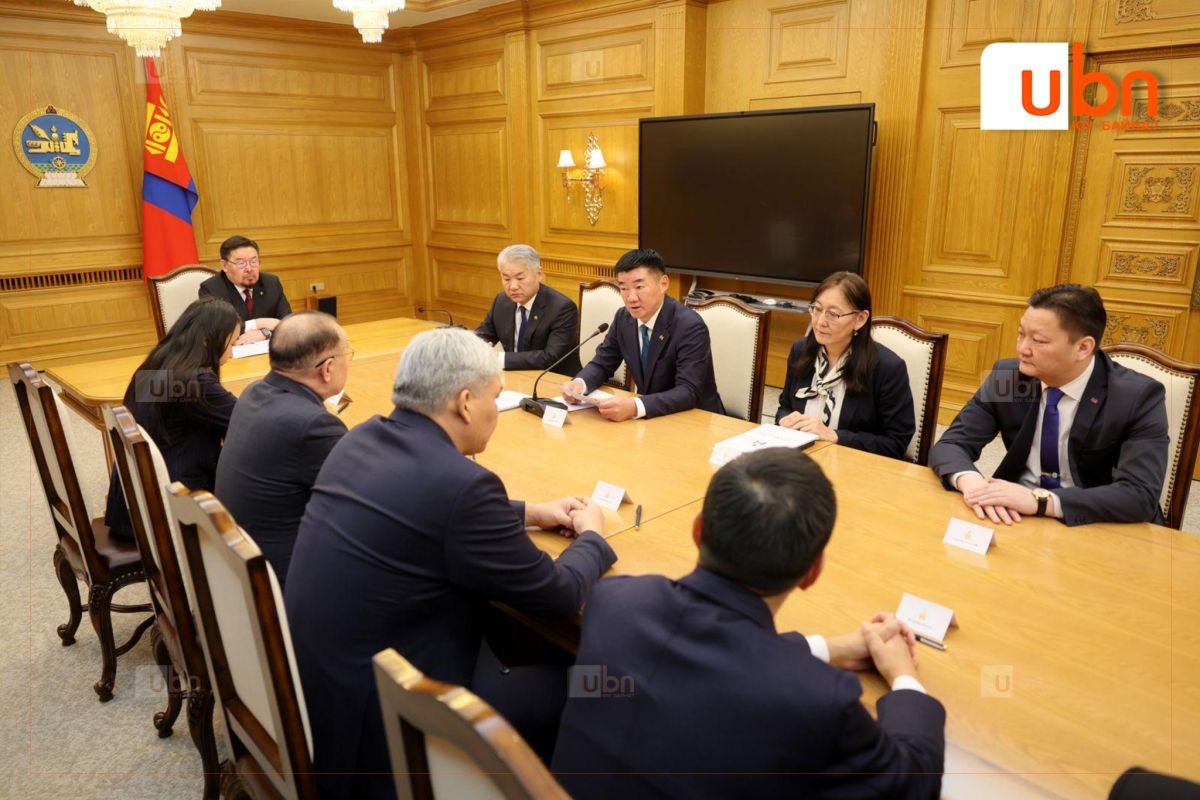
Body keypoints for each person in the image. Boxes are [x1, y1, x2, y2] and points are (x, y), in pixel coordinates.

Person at [284, 327, 617, 800]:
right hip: (396, 727)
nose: (496, 411)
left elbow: (424, 508)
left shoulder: (360, 439)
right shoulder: (465, 487)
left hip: (328, 697)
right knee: (600, 682)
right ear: (464, 403)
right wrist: (594, 539)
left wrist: (531, 513)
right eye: (495, 397)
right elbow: (559, 595)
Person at [552, 448, 945, 798]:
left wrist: (829, 648)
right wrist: (904, 676)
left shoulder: (614, 601)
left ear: (697, 531)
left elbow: (712, 661)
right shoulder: (819, 700)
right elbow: (913, 782)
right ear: (812, 573)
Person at [928, 284, 1168, 526]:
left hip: (1094, 522)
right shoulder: (1009, 377)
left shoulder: (1137, 397)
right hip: (1016, 516)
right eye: (1021, 334)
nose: (1022, 349)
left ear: (1083, 347)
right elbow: (951, 444)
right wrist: (973, 485)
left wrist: (1042, 502)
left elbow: (1139, 494)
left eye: (1039, 341)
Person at [214, 311, 350, 589]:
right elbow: (364, 502)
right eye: (348, 356)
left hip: (241, 568)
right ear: (327, 368)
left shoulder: (253, 392)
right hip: (284, 583)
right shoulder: (314, 426)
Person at [104, 297, 241, 537]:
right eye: (232, 343)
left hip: (133, 502)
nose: (232, 353)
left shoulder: (160, 362)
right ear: (207, 340)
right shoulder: (195, 382)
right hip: (168, 511)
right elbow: (248, 423)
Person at [561, 248, 723, 420]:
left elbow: (688, 391)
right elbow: (603, 363)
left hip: (696, 420)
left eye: (639, 287)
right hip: (654, 418)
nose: (631, 298)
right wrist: (580, 383)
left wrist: (635, 406)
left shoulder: (689, 326)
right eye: (624, 288)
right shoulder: (623, 318)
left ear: (663, 284)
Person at [775, 271, 915, 458]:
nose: (820, 322)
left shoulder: (887, 368)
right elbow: (784, 406)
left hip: (853, 465)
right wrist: (785, 419)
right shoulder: (801, 350)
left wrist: (835, 436)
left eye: (833, 314)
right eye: (817, 309)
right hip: (799, 460)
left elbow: (896, 443)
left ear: (860, 319)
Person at [475, 244, 582, 375]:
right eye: (506, 279)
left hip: (552, 378)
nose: (513, 286)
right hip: (514, 375)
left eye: (520, 278)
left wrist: (498, 359)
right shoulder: (501, 301)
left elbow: (549, 357)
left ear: (539, 274)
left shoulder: (562, 308)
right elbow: (483, 334)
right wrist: (478, 348)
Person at [198, 234, 292, 344]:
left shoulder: (271, 283)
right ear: (224, 266)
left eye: (253, 261)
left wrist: (265, 333)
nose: (249, 269)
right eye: (241, 263)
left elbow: (288, 322)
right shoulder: (211, 289)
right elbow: (217, 331)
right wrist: (258, 323)